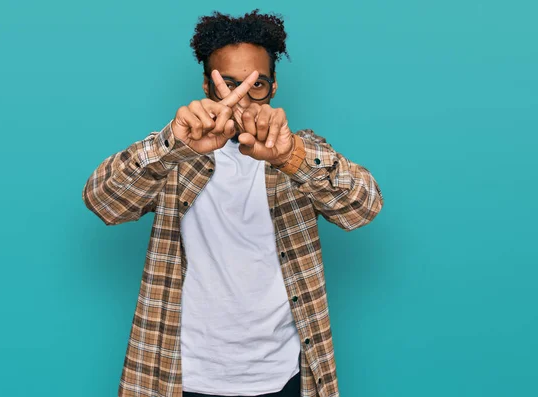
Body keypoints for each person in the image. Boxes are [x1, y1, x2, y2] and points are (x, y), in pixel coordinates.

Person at [82, 9, 384, 397]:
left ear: (273, 89)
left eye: (254, 86)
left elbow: (365, 205)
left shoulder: (301, 153)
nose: (240, 101)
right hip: (183, 375)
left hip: (282, 376)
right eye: (228, 84)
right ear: (207, 86)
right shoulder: (175, 155)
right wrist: (172, 145)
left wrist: (289, 156)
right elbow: (102, 200)